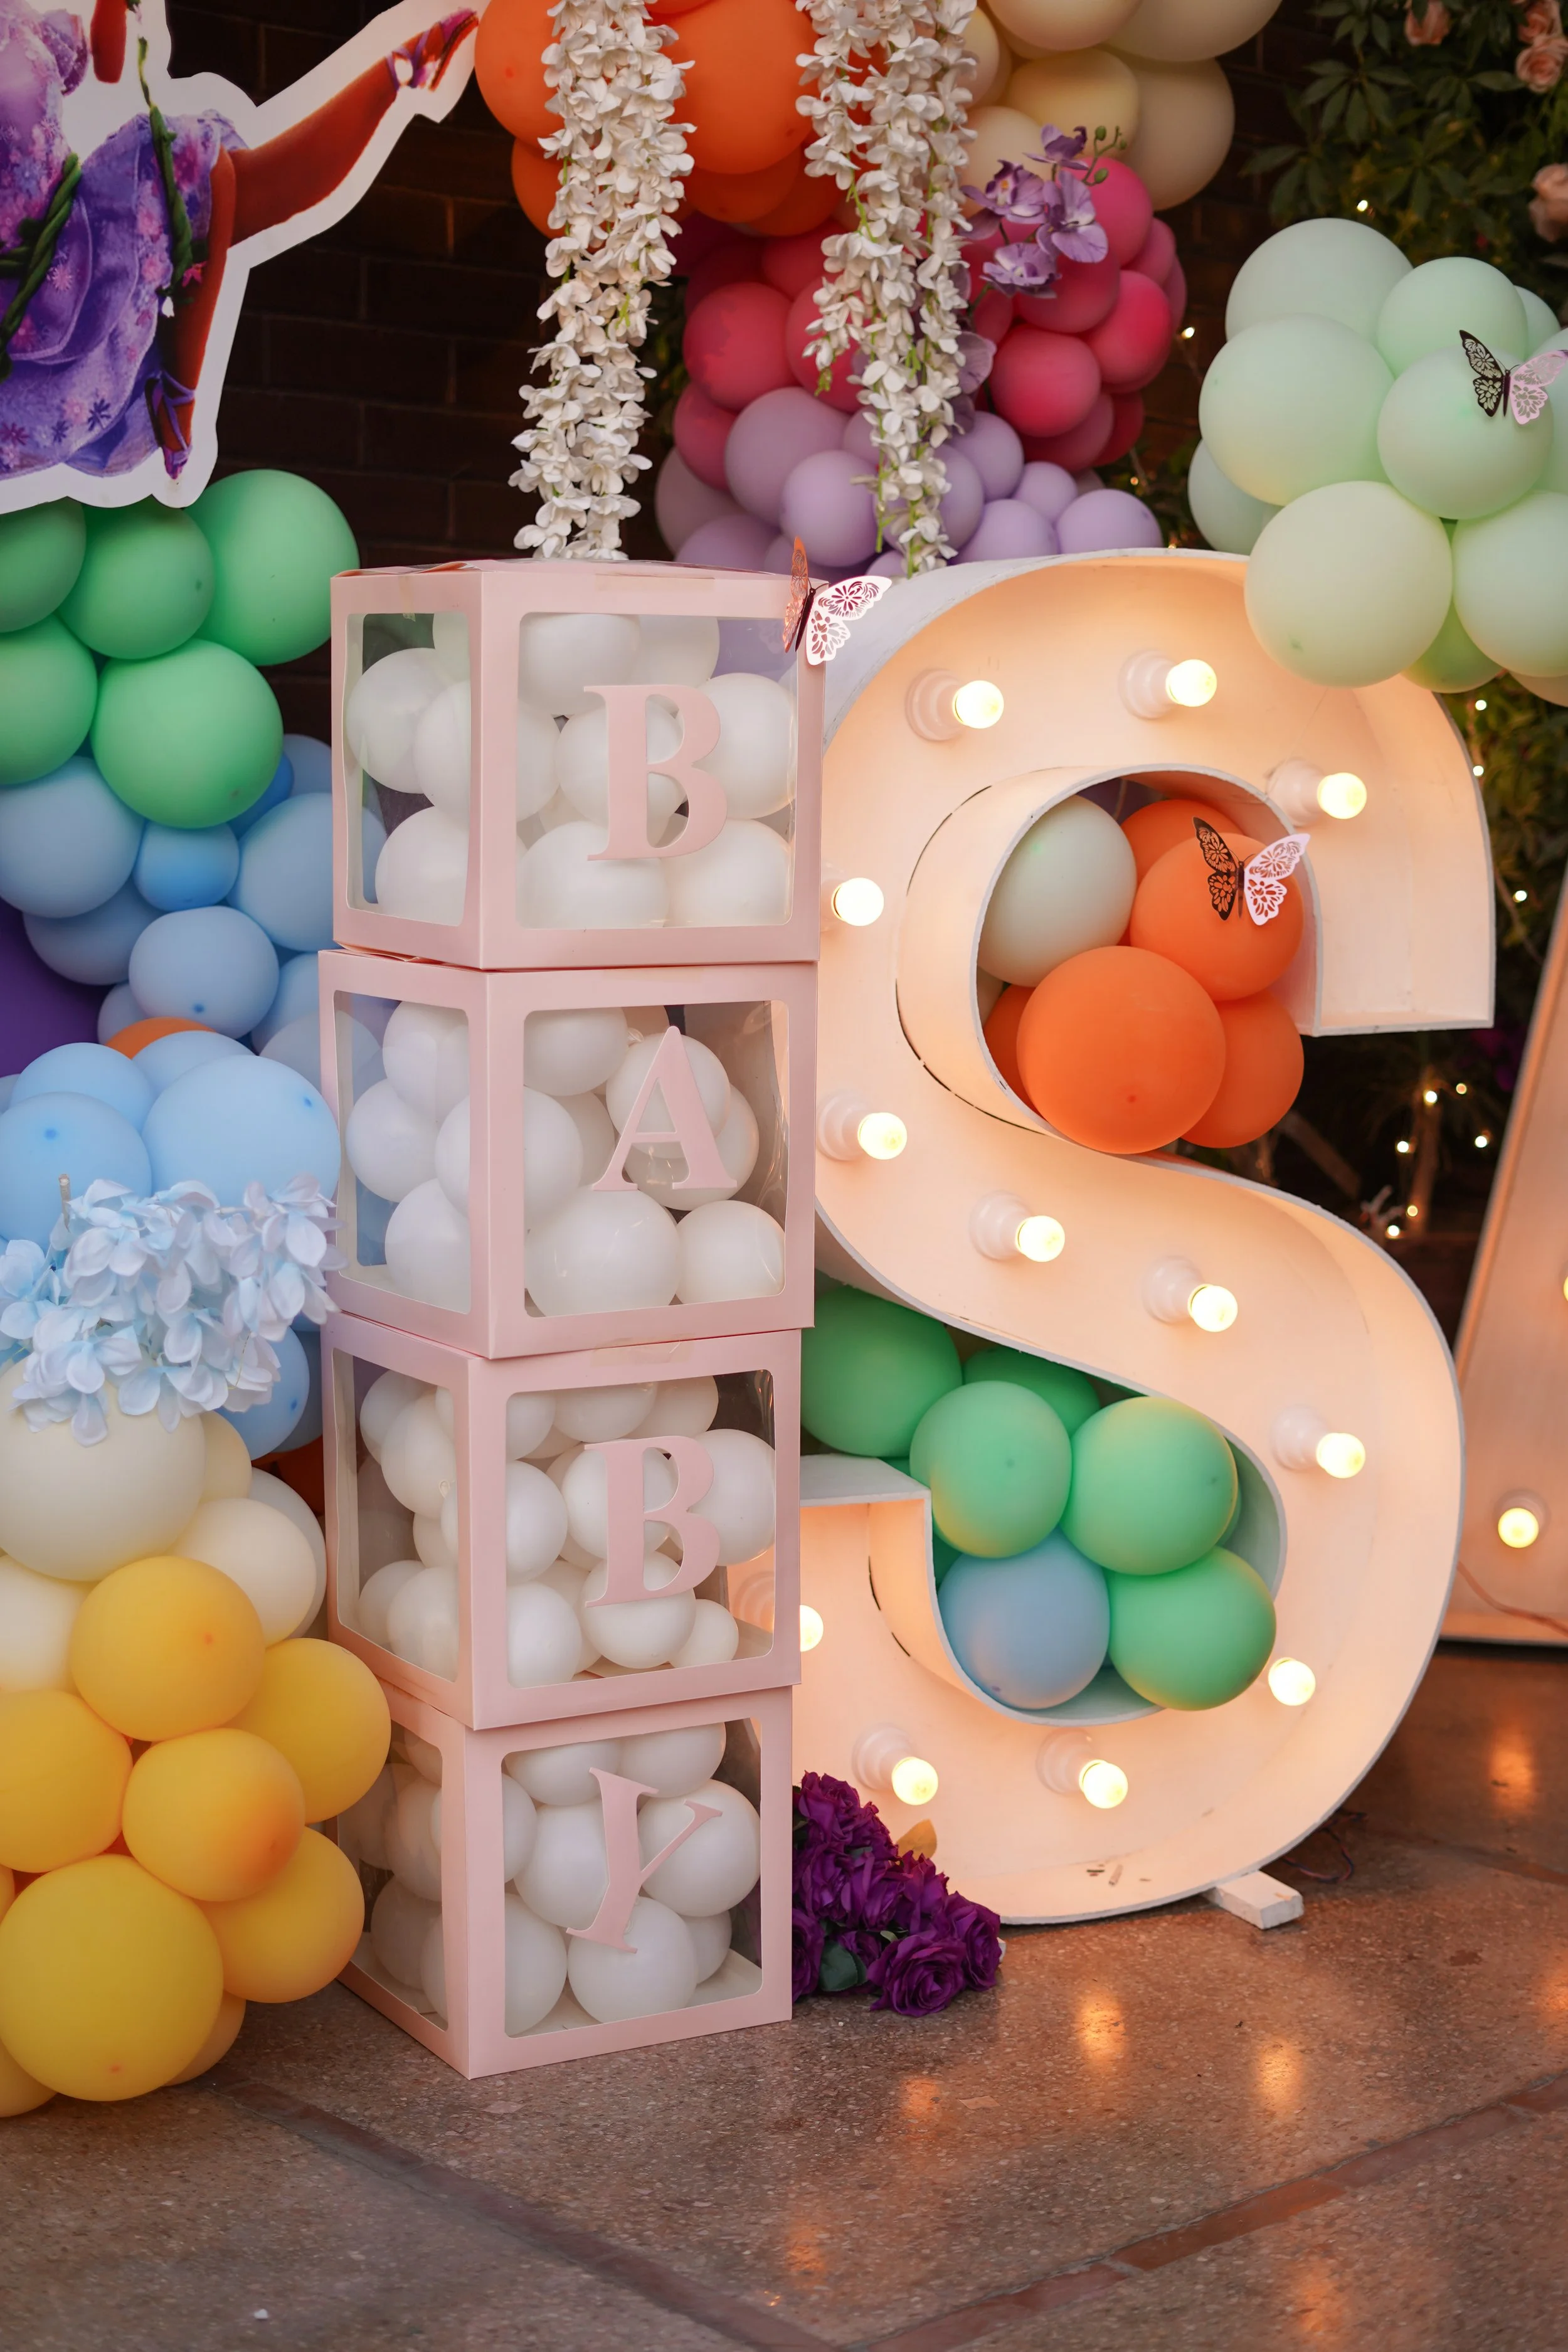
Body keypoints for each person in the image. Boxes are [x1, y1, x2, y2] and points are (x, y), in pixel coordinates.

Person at [0, 0, 476, 481]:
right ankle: (178, 404)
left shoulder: (20, 21)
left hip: (81, 240)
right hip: (21, 308)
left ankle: (395, 73)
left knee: (219, 176)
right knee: (201, 167)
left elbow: (104, 62)